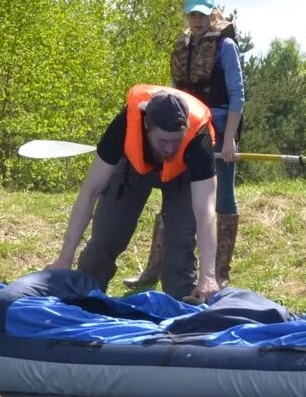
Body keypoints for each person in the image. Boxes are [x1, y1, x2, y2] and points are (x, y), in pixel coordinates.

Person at [52, 87, 222, 301]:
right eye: (163, 141)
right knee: (102, 243)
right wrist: (64, 258)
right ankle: (84, 303)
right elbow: (89, 192)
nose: (170, 148)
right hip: (132, 169)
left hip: (184, 175)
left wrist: (208, 276)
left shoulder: (199, 137)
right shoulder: (124, 125)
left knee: (178, 254)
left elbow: (206, 212)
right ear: (146, 125)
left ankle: (182, 318)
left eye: (175, 141)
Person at [129, 0, 246, 291]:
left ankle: (219, 273)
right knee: (173, 192)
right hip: (189, 128)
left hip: (219, 129)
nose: (197, 20)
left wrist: (230, 139)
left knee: (222, 197)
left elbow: (237, 95)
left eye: (202, 15)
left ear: (212, 15)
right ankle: (153, 269)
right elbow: (174, 94)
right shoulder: (183, 46)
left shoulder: (226, 46)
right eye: (192, 15)